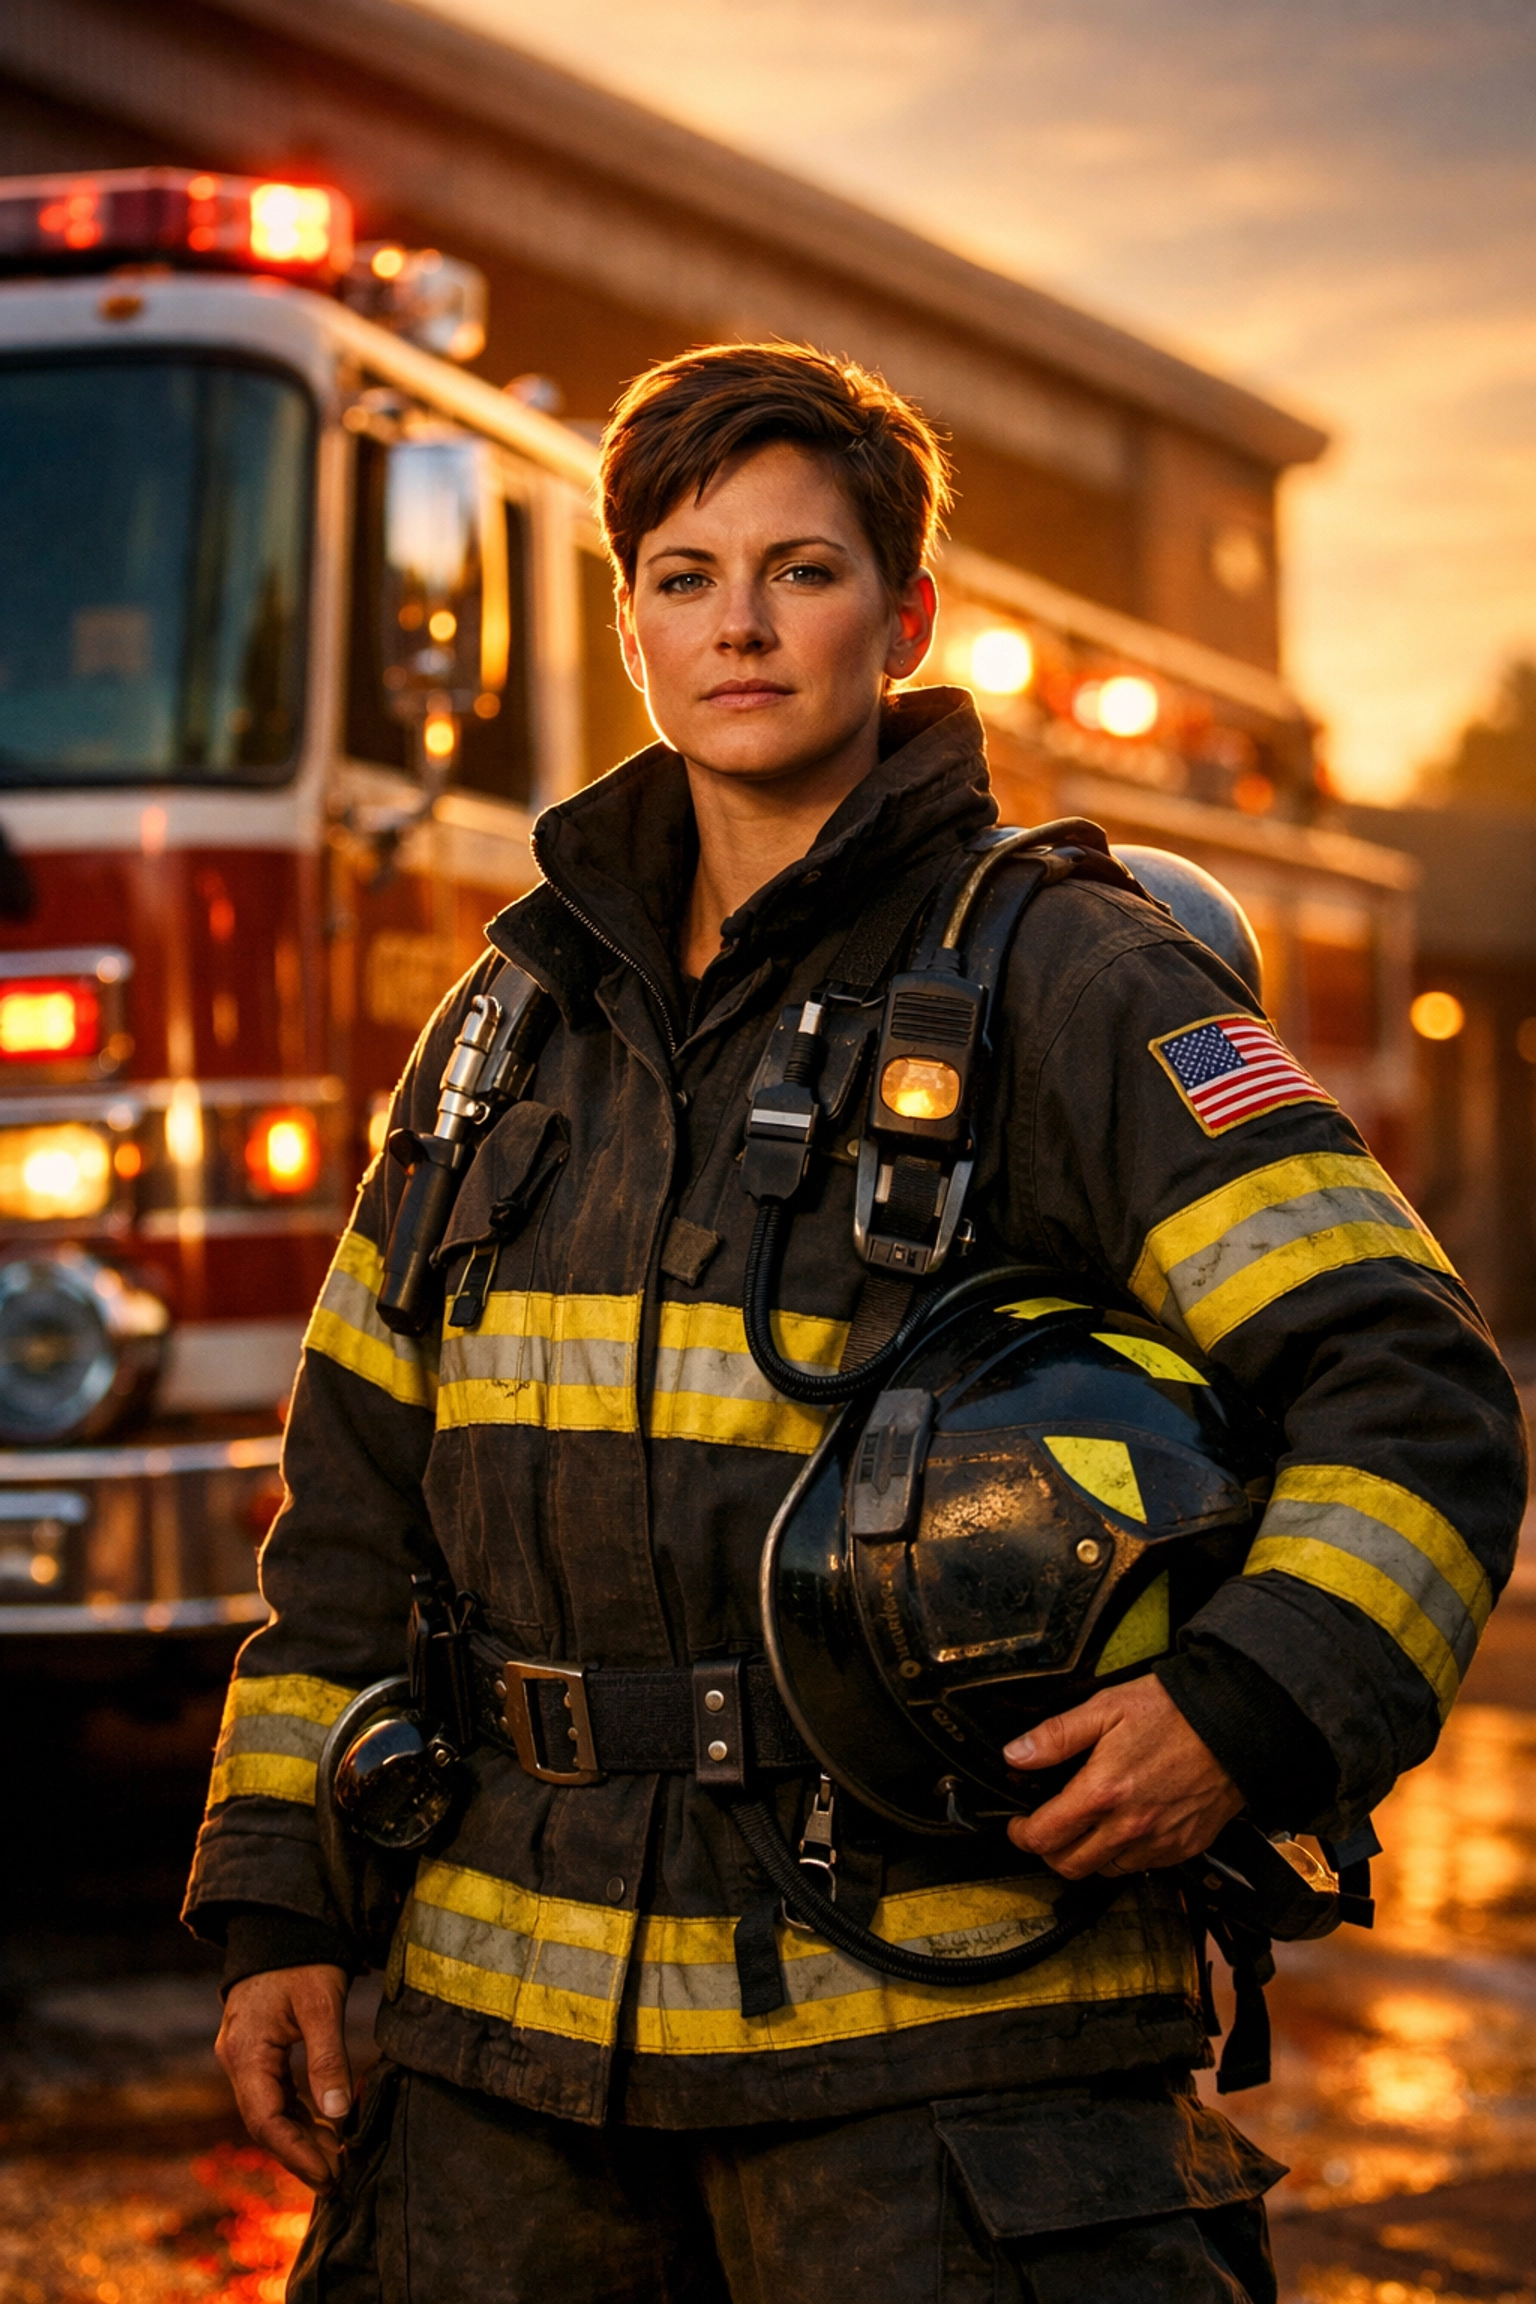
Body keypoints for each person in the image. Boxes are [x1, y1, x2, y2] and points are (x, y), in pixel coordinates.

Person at [187, 342, 1525, 2304]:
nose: (740, 623)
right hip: (507, 2091)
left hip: (946, 2075)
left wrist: (1242, 1709)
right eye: (685, 573)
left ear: (903, 620)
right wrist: (282, 1899)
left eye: (802, 572)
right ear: (628, 618)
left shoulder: (1069, 978)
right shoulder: (509, 1020)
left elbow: (1415, 1393)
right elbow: (355, 1498)